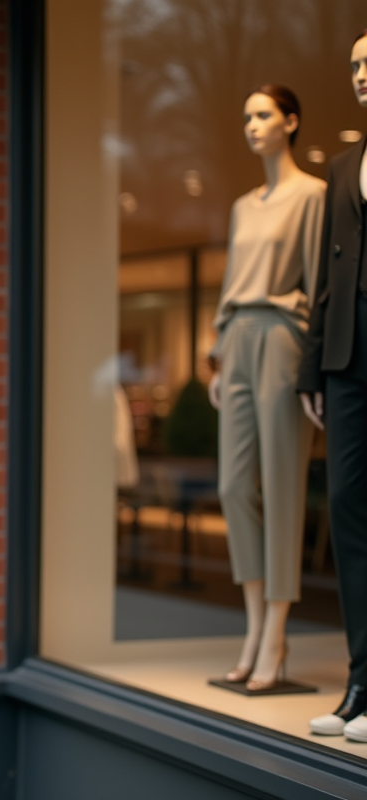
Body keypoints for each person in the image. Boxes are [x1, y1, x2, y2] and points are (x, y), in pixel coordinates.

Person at [206, 85, 322, 693]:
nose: (251, 125)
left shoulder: (314, 196)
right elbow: (229, 283)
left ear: (290, 122)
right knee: (233, 485)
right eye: (246, 115)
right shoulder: (243, 205)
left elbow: (318, 282)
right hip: (239, 340)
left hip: (284, 338)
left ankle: (275, 632)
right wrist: (219, 358)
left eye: (263, 115)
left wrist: (314, 367)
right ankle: (253, 625)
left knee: (281, 486)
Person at [298, 29, 367, 741]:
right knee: (349, 514)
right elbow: (324, 280)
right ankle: (359, 686)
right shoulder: (344, 167)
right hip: (348, 358)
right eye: (353, 65)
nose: (360, 75)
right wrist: (312, 368)